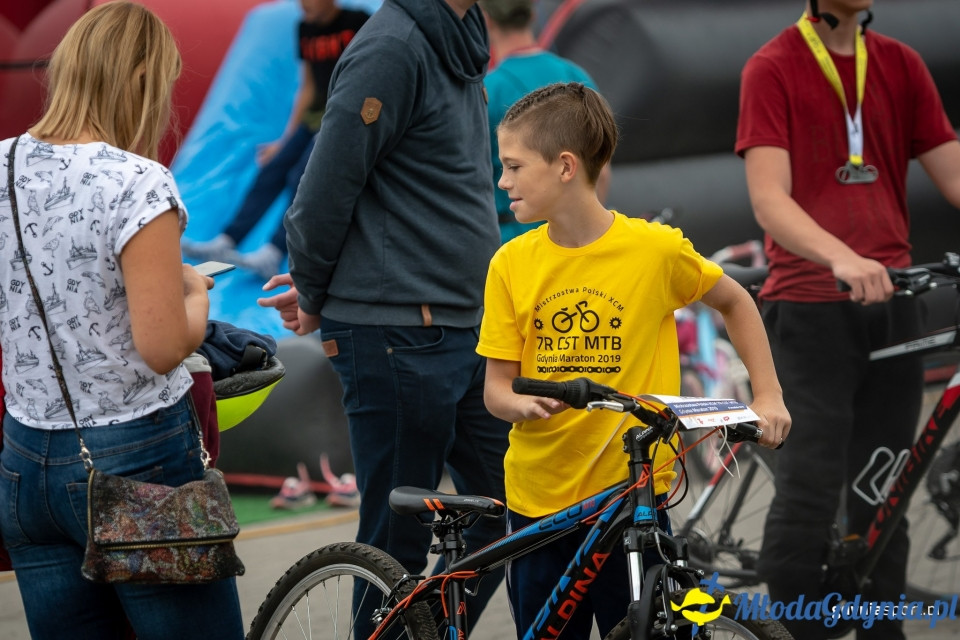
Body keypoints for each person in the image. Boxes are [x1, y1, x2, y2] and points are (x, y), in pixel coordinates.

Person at [477, 82, 791, 640]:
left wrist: (767, 396)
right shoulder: (510, 264)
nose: (502, 181)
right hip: (539, 509)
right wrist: (520, 405)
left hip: (634, 508)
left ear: (566, 166)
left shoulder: (655, 250)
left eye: (513, 166)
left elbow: (735, 301)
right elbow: (495, 390)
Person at [256, 0, 510, 634]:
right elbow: (323, 186)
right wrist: (315, 291)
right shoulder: (391, 47)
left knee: (507, 519)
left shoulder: (460, 40)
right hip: (398, 335)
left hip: (464, 325)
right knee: (395, 549)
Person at [0, 4, 244, 639]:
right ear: (139, 78)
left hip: (26, 455)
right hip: (138, 457)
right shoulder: (136, 181)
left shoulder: (1, 164)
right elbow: (163, 348)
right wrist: (195, 293)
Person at [735, 1, 960, 638]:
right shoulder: (773, 67)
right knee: (808, 496)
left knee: (884, 494)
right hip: (811, 308)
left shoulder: (899, 63)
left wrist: (868, 264)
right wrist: (842, 256)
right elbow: (768, 198)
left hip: (893, 301)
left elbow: (952, 168)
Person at [182, 0, 369, 280]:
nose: (302, 5)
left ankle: (274, 251)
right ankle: (227, 241)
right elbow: (307, 87)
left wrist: (352, 122)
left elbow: (371, 75)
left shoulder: (356, 22)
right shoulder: (305, 28)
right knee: (273, 169)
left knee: (301, 176)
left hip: (341, 119)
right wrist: (286, 139)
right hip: (313, 119)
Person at [479, 0, 610, 243]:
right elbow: (601, 171)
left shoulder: (488, 90)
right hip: (577, 240)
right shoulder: (576, 76)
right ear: (532, 15)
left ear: (485, 20)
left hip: (512, 240)